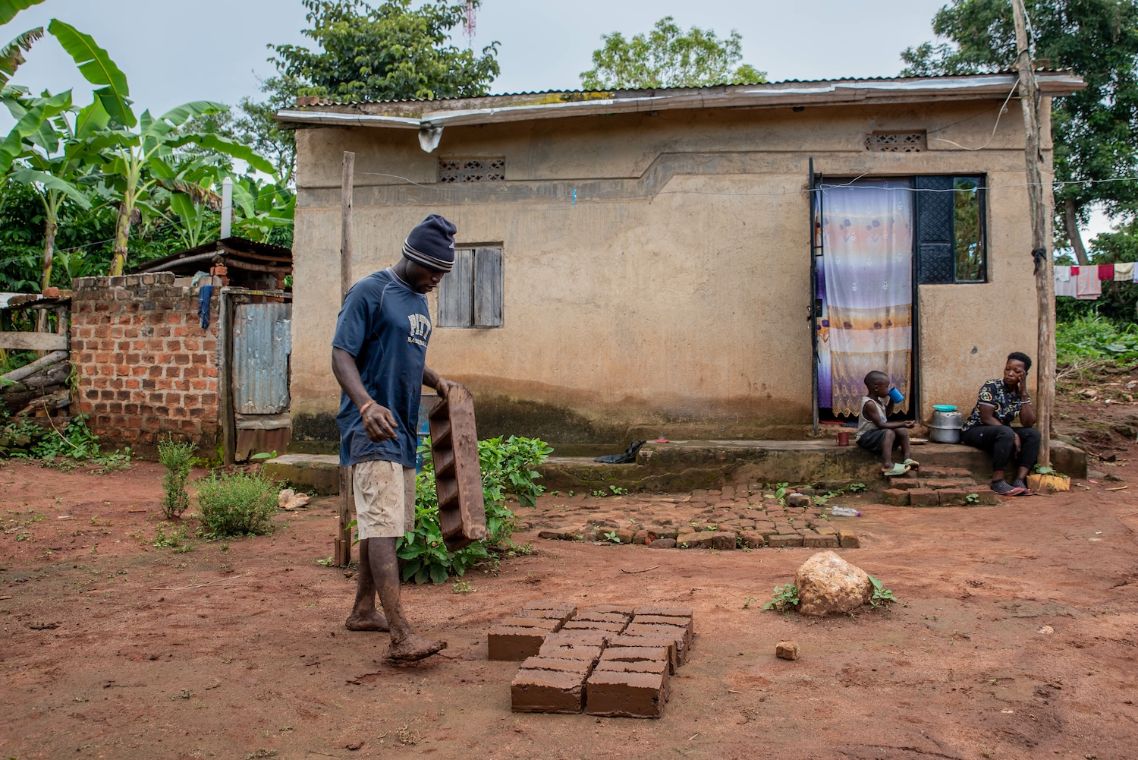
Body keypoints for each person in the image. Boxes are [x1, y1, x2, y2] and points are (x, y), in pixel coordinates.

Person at [331, 214, 462, 663]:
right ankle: (401, 635)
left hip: (404, 428)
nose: (436, 280)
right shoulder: (370, 291)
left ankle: (363, 610)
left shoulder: (419, 303)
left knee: (383, 523)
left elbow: (407, 357)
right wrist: (366, 405)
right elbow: (341, 354)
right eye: (432, 270)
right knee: (383, 524)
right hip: (372, 426)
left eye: (443, 273)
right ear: (411, 257)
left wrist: (436, 379)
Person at [960, 351, 1040, 496]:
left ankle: (1019, 480)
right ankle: (997, 481)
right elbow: (986, 417)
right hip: (975, 430)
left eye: (1016, 371)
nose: (1010, 374)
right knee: (1006, 432)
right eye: (1007, 369)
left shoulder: (1020, 393)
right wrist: (1013, 434)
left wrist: (1023, 393)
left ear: (1024, 375)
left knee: (1033, 434)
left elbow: (1028, 422)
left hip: (1001, 433)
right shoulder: (991, 386)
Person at [855, 371, 917, 477]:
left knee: (902, 430)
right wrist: (902, 423)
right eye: (886, 387)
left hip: (877, 434)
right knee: (889, 432)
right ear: (876, 388)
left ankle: (907, 458)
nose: (888, 390)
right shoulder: (869, 404)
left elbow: (886, 414)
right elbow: (881, 424)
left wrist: (892, 400)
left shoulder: (878, 401)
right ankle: (887, 465)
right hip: (866, 438)